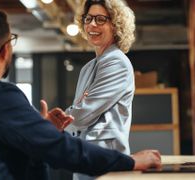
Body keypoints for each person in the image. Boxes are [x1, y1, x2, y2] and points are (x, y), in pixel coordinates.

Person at [0, 9, 161, 180]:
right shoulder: (1, 97)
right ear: (5, 49)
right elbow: (60, 150)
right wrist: (130, 162)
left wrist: (39, 129)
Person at [64, 0, 136, 179]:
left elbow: (81, 115)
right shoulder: (88, 68)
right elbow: (80, 114)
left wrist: (70, 114)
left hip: (105, 164)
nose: (92, 24)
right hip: (86, 159)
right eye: (88, 19)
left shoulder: (116, 61)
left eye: (100, 19)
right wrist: (78, 109)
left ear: (115, 25)